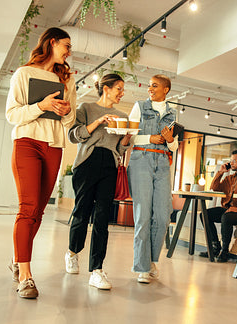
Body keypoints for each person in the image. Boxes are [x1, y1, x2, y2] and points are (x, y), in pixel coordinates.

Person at [6, 27, 76, 298]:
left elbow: (69, 123)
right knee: (28, 207)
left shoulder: (66, 81)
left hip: (54, 146)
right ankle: (25, 275)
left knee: (38, 212)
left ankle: (17, 259)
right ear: (51, 42)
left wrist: (66, 110)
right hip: (27, 143)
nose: (69, 52)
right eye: (66, 46)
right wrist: (41, 106)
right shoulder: (24, 74)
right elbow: (12, 115)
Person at [65, 74, 132, 290]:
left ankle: (96, 270)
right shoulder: (86, 108)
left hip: (109, 164)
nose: (121, 93)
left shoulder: (122, 116)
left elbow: (120, 149)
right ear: (106, 88)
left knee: (103, 218)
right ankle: (73, 252)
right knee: (82, 211)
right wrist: (98, 122)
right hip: (87, 162)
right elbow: (74, 135)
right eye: (118, 89)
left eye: (122, 90)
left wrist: (127, 139)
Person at [127, 74, 178, 284]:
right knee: (143, 216)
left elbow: (174, 147)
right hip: (141, 159)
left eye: (155, 86)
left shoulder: (172, 113)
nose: (150, 89)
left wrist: (169, 140)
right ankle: (142, 267)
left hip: (163, 164)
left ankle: (151, 260)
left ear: (166, 89)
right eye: (149, 85)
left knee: (163, 215)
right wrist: (150, 138)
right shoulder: (139, 106)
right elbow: (129, 135)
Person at [199, 150, 237, 263]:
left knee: (226, 217)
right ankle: (215, 247)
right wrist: (220, 172)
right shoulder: (230, 178)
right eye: (230, 161)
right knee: (204, 214)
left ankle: (225, 251)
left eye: (234, 161)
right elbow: (214, 188)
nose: (232, 163)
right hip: (228, 209)